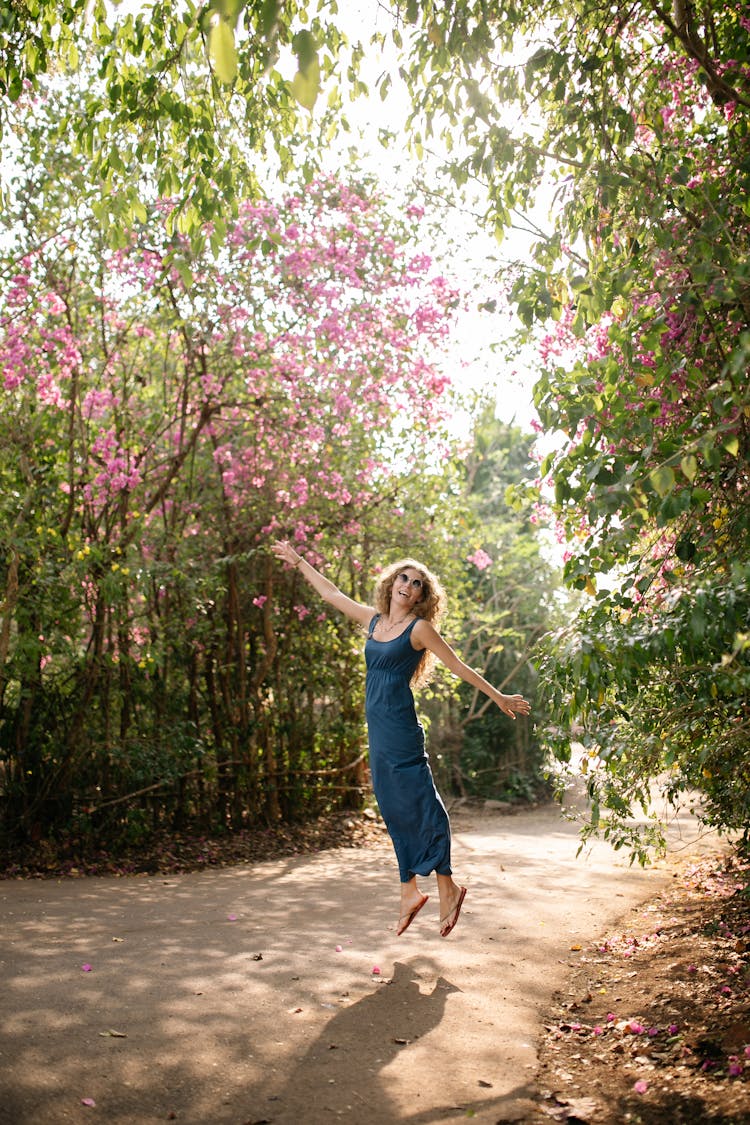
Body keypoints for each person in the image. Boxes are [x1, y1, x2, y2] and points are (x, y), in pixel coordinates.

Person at [270, 539, 531, 939]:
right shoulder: (374, 622)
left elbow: (458, 666)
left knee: (423, 801)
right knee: (392, 806)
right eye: (403, 578)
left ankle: (446, 883)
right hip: (378, 732)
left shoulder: (419, 629)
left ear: (422, 597)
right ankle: (409, 888)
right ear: (392, 583)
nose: (408, 585)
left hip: (402, 730)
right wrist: (300, 560)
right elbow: (332, 593)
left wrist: (497, 696)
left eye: (417, 584)